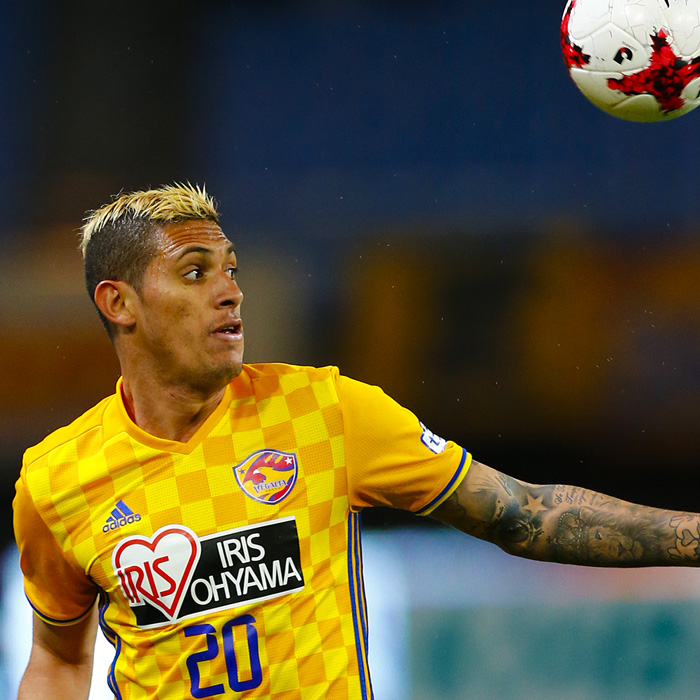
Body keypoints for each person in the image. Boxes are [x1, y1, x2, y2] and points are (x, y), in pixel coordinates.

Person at [12, 183, 700, 700]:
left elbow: (523, 513)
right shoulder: (57, 481)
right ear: (119, 303)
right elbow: (59, 658)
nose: (230, 292)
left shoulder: (325, 412)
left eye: (232, 269)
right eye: (196, 272)